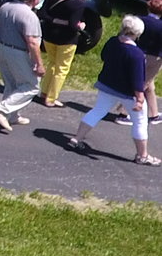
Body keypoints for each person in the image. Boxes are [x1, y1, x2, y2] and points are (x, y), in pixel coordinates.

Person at [64, 15, 157, 165]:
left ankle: (76, 139)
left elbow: (103, 56)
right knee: (140, 122)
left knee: (97, 111)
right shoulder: (137, 54)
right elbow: (137, 80)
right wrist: (140, 98)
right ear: (138, 34)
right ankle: (142, 155)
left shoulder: (112, 42)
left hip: (107, 86)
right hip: (128, 94)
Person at [0, 0, 45, 132]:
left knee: (11, 84)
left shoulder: (5, 7)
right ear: (35, 0)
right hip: (18, 52)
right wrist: (39, 64)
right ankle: (2, 109)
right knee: (31, 86)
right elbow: (32, 42)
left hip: (3, 48)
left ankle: (12, 115)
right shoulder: (29, 15)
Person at [38, 0, 100, 108]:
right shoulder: (78, 3)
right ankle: (51, 98)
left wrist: (55, 20)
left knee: (52, 63)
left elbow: (42, 13)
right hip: (67, 39)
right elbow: (73, 24)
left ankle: (43, 92)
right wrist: (81, 25)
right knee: (62, 69)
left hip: (49, 35)